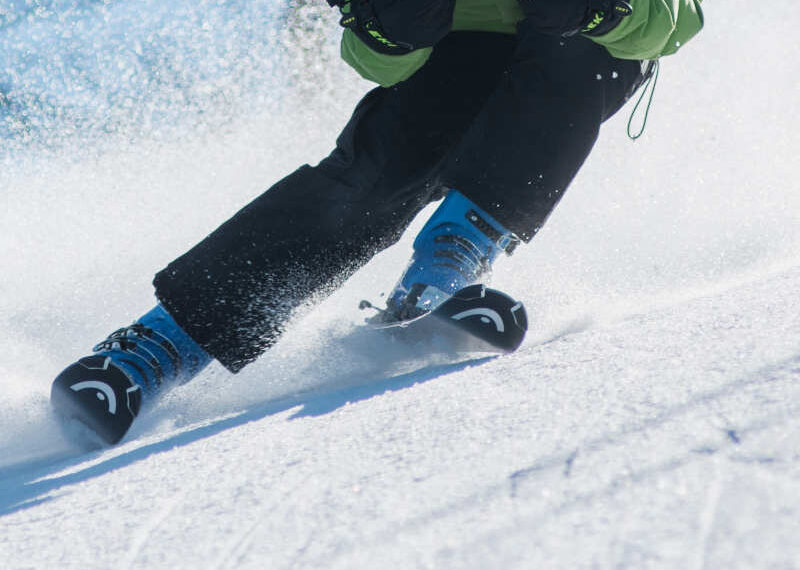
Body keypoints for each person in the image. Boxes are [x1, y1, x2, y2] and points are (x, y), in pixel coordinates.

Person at [51, 0, 704, 444]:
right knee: (383, 167)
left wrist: (607, 8)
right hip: (454, 61)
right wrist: (387, 27)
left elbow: (677, 20)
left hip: (581, 58)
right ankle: (154, 349)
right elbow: (375, 59)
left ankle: (447, 266)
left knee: (572, 57)